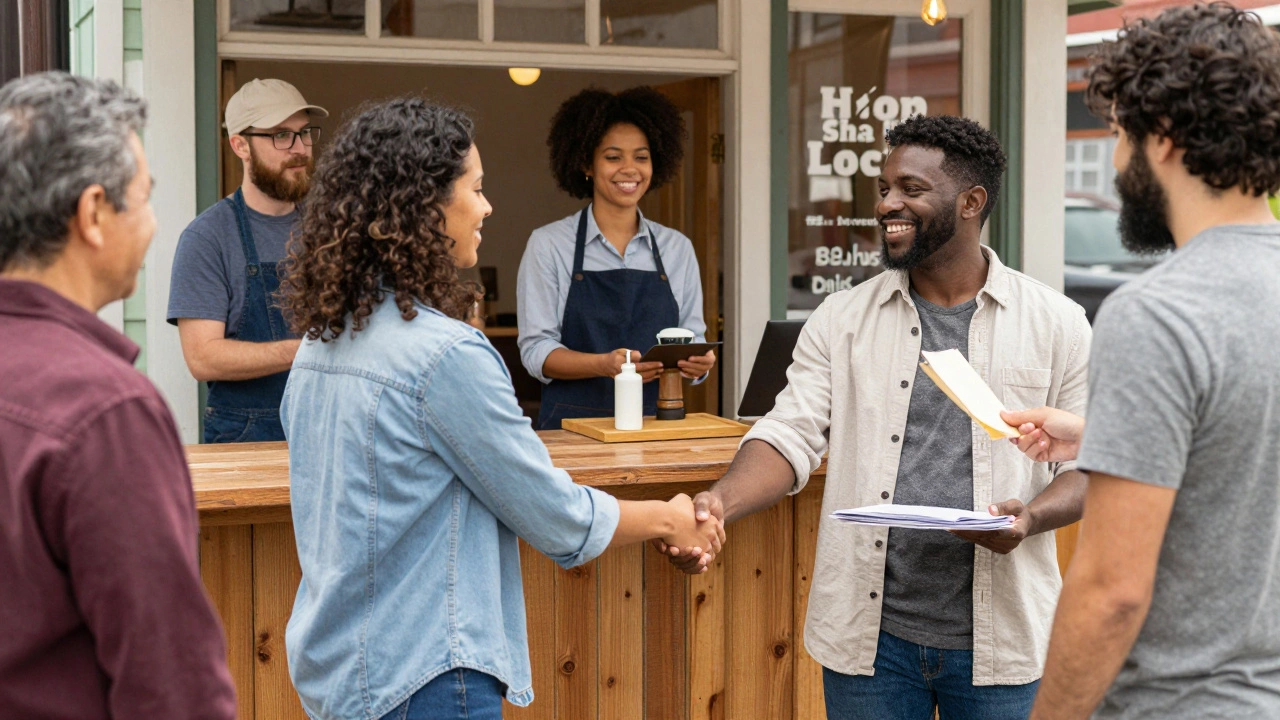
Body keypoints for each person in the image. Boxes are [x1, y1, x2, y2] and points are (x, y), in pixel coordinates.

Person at [277, 98, 723, 720]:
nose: (487, 207)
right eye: (477, 188)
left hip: (339, 675)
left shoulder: (320, 344)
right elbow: (553, 514)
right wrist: (670, 518)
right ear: (425, 204)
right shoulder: (447, 355)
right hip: (427, 676)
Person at [662, 115, 1093, 719]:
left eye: (911, 189)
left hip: (1007, 640)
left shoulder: (1058, 323)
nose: (888, 204)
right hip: (871, 643)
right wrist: (718, 502)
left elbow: (1091, 466)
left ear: (971, 202)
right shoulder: (840, 319)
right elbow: (789, 434)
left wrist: (1031, 518)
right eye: (885, 188)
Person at [1003, 6, 1280, 719]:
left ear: (1163, 137)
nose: (1116, 161)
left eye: (1119, 135)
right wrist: (1104, 438)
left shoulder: (1157, 313)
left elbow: (1111, 592)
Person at [0, 72, 236, 719]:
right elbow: (172, 688)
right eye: (146, 196)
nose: (155, 222)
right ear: (94, 213)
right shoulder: (106, 411)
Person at [517, 87, 716, 429]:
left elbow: (693, 338)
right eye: (613, 157)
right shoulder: (549, 245)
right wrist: (604, 364)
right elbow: (537, 352)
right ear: (586, 164)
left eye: (641, 157)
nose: (630, 169)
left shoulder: (677, 248)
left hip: (657, 426)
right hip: (571, 430)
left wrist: (699, 364)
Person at [168, 78, 328, 443]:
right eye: (281, 135)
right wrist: (308, 350)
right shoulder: (207, 238)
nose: (300, 148)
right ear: (240, 145)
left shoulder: (331, 227)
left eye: (304, 133)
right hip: (245, 441)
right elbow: (203, 358)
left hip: (328, 428)